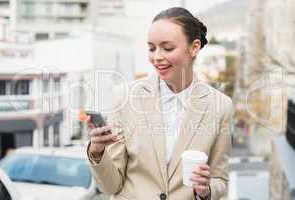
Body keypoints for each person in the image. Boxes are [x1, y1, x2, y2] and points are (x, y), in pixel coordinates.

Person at [87, 7, 233, 200]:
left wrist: (206, 191)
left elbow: (220, 179)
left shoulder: (220, 106)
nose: (156, 57)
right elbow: (111, 186)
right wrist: (97, 152)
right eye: (151, 48)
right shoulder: (125, 98)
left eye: (168, 48)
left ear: (194, 47)